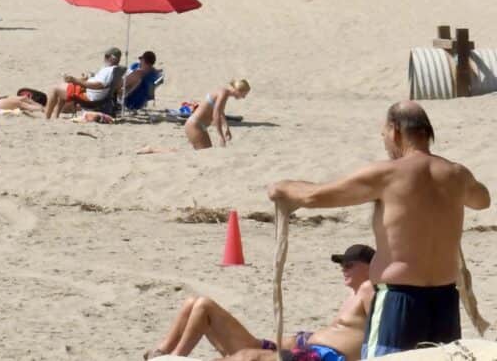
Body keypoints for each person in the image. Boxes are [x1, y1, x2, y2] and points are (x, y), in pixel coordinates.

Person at [271, 101, 491, 356]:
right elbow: (482, 200)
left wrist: (281, 188)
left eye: (384, 135)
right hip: (444, 300)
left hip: (399, 300)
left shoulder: (387, 174)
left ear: (395, 130)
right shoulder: (456, 174)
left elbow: (314, 196)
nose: (385, 142)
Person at [145, 243, 374, 361]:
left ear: (370, 266)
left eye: (350, 264)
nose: (343, 269)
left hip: (311, 356)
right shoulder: (352, 296)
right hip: (283, 347)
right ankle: (164, 352)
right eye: (342, 264)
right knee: (194, 302)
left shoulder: (369, 290)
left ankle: (173, 358)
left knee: (206, 308)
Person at [44, 47, 124, 120]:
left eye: (106, 56)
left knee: (54, 89)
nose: (104, 58)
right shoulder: (117, 70)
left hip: (89, 97)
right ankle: (55, 117)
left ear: (111, 58)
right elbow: (117, 84)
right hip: (95, 95)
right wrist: (89, 78)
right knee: (62, 87)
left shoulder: (108, 71)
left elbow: (98, 85)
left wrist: (76, 80)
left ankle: (46, 118)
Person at [185, 79, 251, 150]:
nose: (244, 97)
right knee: (206, 153)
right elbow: (216, 115)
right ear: (239, 90)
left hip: (199, 125)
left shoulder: (224, 92)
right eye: (244, 94)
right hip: (195, 125)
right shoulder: (223, 93)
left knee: (206, 152)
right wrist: (221, 136)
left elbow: (221, 112)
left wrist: (226, 127)